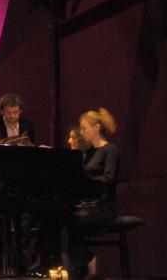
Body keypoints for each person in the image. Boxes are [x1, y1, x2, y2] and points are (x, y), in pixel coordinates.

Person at [70, 108, 119, 277]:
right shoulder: (89, 152)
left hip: (105, 205)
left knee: (73, 220)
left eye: (85, 129)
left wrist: (88, 182)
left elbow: (108, 178)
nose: (82, 132)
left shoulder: (110, 150)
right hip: (89, 204)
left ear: (97, 128)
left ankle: (86, 261)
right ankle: (82, 262)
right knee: (61, 219)